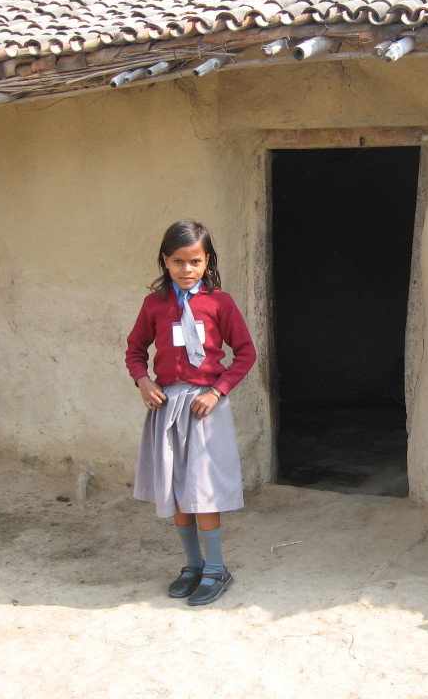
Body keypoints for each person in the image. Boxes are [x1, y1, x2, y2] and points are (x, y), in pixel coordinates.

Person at [125, 220, 256, 606]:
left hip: (205, 408)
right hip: (168, 409)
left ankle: (217, 568)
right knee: (177, 490)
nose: (186, 269)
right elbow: (135, 351)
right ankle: (193, 564)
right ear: (165, 261)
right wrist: (144, 382)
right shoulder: (154, 306)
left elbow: (245, 353)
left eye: (195, 261)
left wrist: (217, 391)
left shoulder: (220, 303)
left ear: (207, 261)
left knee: (203, 492)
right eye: (178, 261)